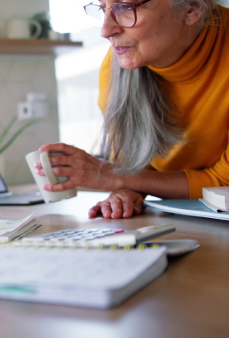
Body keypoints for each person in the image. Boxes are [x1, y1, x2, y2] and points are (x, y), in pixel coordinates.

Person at [36, 0, 229, 219]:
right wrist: (126, 191)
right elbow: (139, 169)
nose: (105, 30)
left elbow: (225, 185)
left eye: (126, 7)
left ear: (191, 9)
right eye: (103, 8)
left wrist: (113, 176)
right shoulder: (117, 66)